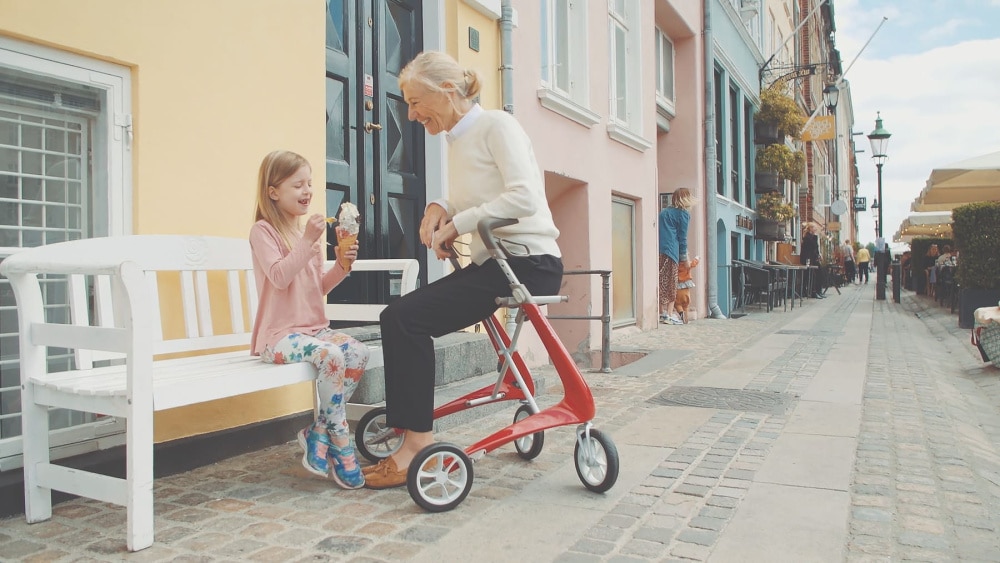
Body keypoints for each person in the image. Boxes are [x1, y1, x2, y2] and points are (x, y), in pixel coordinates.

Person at [365, 51, 564, 489]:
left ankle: (416, 442)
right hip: (496, 262)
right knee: (397, 317)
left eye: (416, 103)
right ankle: (409, 431)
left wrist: (457, 222)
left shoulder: (498, 125)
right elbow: (478, 195)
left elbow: (524, 198)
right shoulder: (458, 140)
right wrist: (443, 206)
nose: (412, 115)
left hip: (528, 263)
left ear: (448, 92)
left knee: (404, 318)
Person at [249, 150, 368, 490]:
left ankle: (317, 432)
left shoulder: (308, 237)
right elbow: (279, 277)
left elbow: (318, 287)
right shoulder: (263, 232)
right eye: (297, 185)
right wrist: (307, 242)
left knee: (358, 352)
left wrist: (342, 267)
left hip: (314, 330)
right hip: (278, 336)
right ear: (274, 192)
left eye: (309, 184)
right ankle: (341, 444)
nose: (307, 191)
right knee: (331, 357)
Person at [659, 188, 697, 324]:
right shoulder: (683, 215)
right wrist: (685, 259)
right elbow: (683, 238)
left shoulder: (663, 213)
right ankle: (669, 314)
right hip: (672, 251)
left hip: (659, 250)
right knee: (672, 281)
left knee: (661, 280)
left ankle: (661, 311)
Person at [800, 222, 824, 298]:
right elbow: (812, 246)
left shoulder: (813, 237)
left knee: (820, 273)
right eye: (814, 227)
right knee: (812, 274)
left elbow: (816, 248)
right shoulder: (807, 237)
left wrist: (819, 254)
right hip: (808, 258)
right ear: (810, 228)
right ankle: (813, 291)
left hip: (814, 258)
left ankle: (818, 291)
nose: (816, 229)